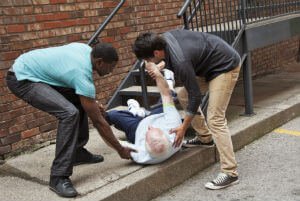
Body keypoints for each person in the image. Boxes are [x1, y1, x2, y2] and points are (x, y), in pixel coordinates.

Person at [6, 42, 135, 198]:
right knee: (69, 113)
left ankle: (76, 153)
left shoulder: (87, 51)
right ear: (99, 62)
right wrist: (120, 149)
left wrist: (92, 104)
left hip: (34, 71)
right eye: (111, 66)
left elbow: (85, 97)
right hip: (22, 78)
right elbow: (99, 122)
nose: (112, 71)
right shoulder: (80, 73)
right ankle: (58, 177)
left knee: (80, 102)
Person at [133, 29, 241, 190]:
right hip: (209, 65)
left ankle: (230, 172)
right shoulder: (164, 39)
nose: (147, 62)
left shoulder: (180, 61)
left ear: (156, 52)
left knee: (215, 119)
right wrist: (160, 66)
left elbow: (196, 95)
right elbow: (173, 62)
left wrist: (183, 128)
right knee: (183, 95)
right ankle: (205, 138)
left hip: (225, 66)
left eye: (147, 59)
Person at [104, 62, 182, 164]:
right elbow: (166, 94)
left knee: (110, 115)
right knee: (169, 98)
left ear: (144, 146)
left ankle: (136, 112)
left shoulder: (141, 155)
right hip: (157, 116)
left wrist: (96, 118)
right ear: (167, 136)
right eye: (154, 129)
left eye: (147, 133)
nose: (150, 127)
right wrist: (156, 73)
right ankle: (169, 84)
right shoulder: (175, 131)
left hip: (137, 129)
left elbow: (111, 142)